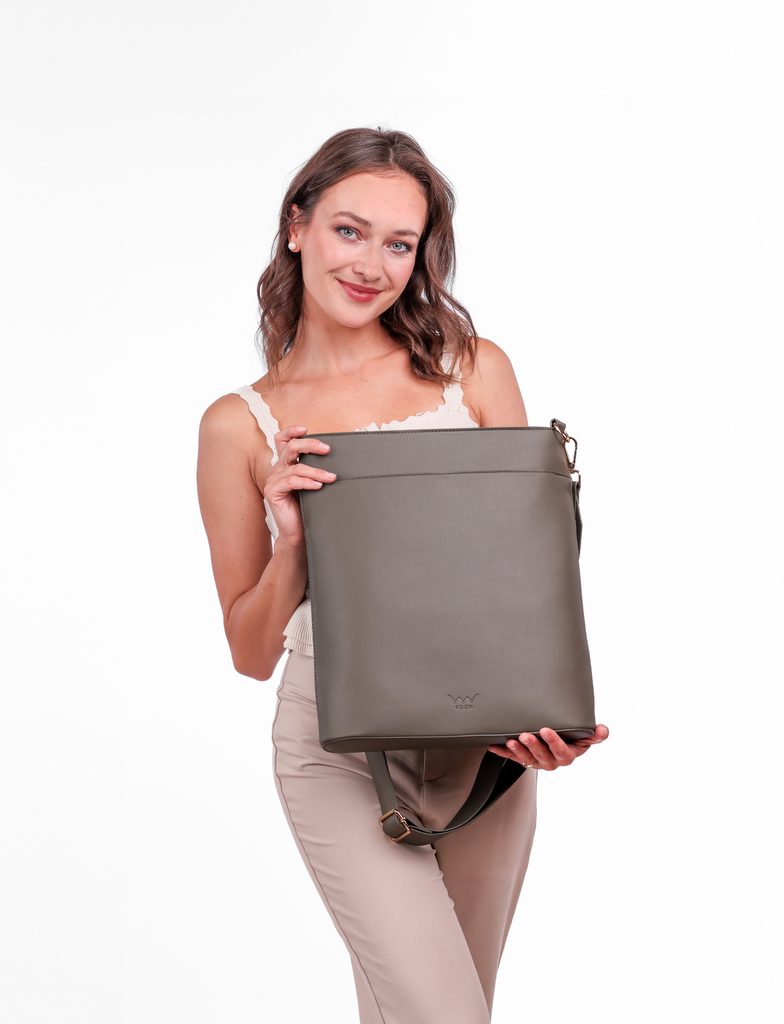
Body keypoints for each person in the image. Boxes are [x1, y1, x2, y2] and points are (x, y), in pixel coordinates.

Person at [196, 126, 609, 1023]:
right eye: (349, 230)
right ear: (297, 225)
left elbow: (526, 575)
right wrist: (294, 543)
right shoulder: (240, 424)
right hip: (337, 751)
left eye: (399, 243)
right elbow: (249, 653)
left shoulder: (475, 370)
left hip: (487, 745)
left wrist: (553, 713)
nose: (370, 265)